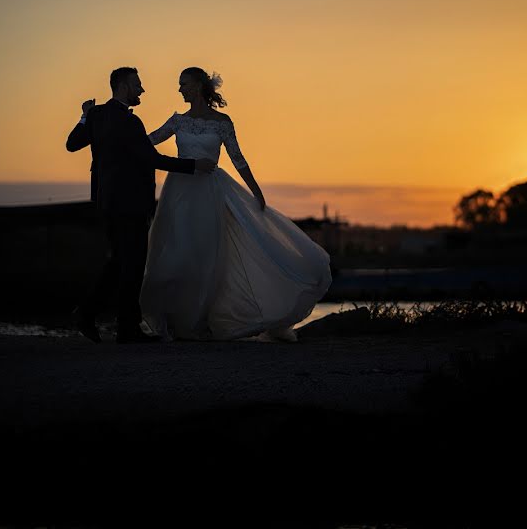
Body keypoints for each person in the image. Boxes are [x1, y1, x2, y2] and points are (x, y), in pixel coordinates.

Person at [139, 67, 332, 341]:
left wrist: (256, 192)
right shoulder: (177, 122)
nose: (179, 89)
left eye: (183, 84)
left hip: (209, 193)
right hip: (179, 192)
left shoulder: (222, 122)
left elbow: (238, 158)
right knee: (177, 251)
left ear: (196, 87)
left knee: (206, 255)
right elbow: (147, 143)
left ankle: (201, 320)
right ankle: (175, 318)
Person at [66, 67, 216, 343]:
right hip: (131, 203)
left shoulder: (97, 116)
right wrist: (196, 165)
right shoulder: (130, 123)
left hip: (107, 202)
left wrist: (85, 115)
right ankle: (123, 327)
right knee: (132, 265)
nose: (142, 90)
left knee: (119, 262)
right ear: (123, 87)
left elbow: (72, 143)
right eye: (137, 85)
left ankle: (97, 317)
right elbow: (153, 159)